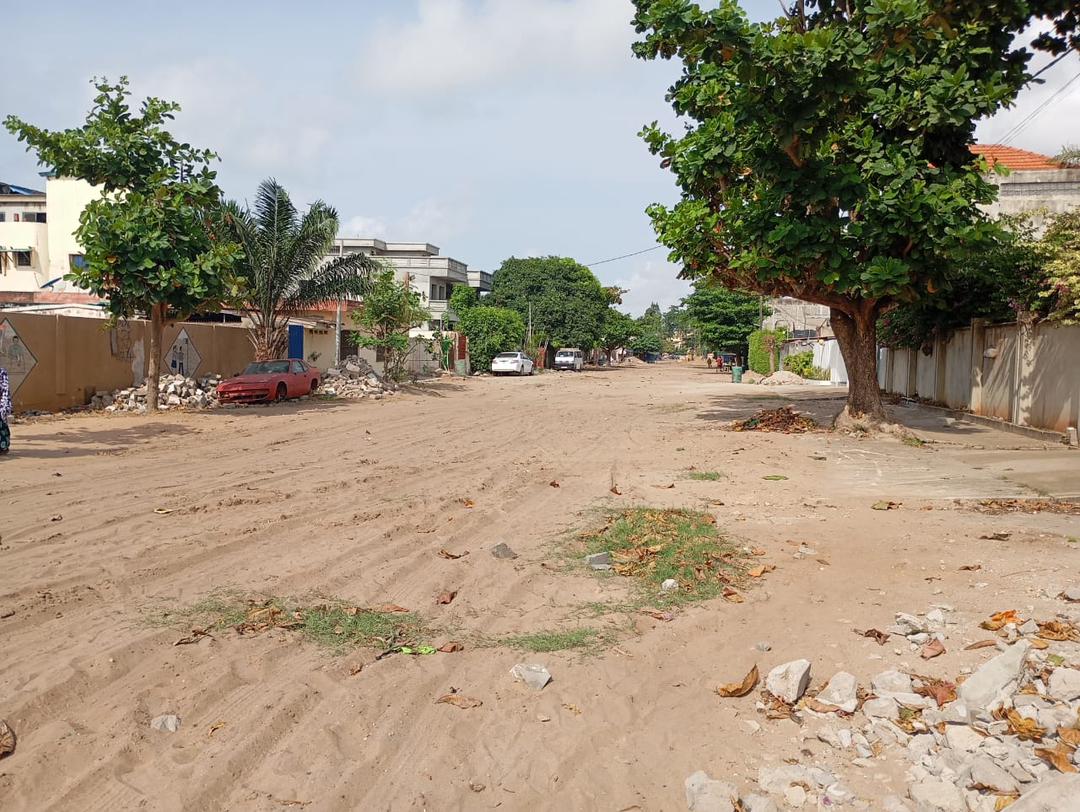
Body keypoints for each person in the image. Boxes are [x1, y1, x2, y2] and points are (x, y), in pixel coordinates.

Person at [0, 367, 11, 455]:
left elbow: (5, 389)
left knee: (2, 426)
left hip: (1, 404)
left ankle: (3, 447)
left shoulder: (2, 372)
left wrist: (4, 405)